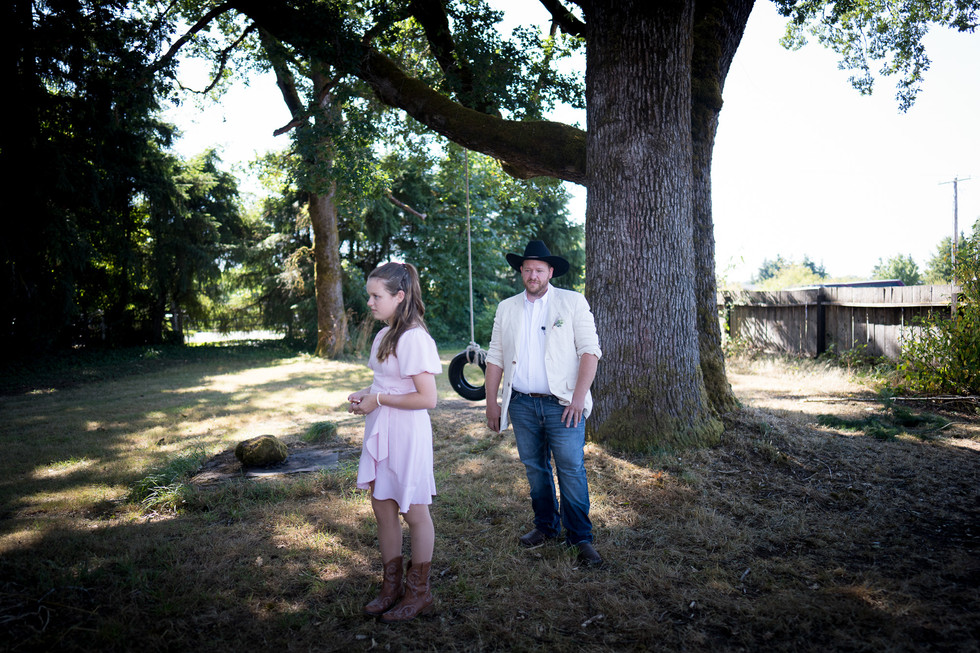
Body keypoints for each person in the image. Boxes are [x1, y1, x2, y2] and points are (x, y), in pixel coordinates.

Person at [484, 240, 603, 567]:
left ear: (550, 272)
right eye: (527, 269)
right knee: (535, 469)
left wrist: (578, 398)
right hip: (521, 404)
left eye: (539, 270)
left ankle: (580, 537)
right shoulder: (507, 308)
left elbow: (590, 351)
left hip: (563, 404)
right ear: (520, 271)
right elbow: (495, 357)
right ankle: (545, 527)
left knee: (570, 469)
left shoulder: (572, 302)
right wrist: (492, 402)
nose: (533, 275)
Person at [348, 261, 441, 622]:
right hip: (380, 428)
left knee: (414, 511)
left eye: (376, 296)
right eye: (369, 295)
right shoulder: (384, 333)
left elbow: (428, 398)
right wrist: (366, 393)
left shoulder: (414, 337)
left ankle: (419, 592)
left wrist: (380, 400)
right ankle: (391, 587)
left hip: (406, 434)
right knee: (382, 506)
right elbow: (385, 383)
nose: (370, 302)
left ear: (399, 296)